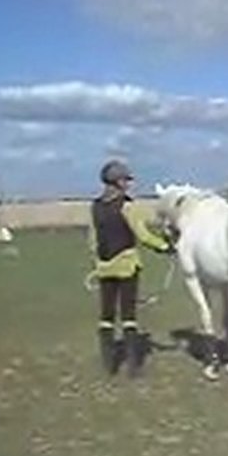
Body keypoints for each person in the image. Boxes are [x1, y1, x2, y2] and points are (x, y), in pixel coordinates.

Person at [89, 159, 175, 378]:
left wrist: (99, 263)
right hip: (127, 266)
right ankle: (133, 368)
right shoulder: (128, 206)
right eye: (126, 180)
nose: (129, 183)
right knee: (128, 316)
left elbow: (92, 239)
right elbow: (143, 235)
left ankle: (109, 366)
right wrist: (165, 247)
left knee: (106, 316)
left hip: (104, 268)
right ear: (117, 182)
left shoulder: (95, 206)